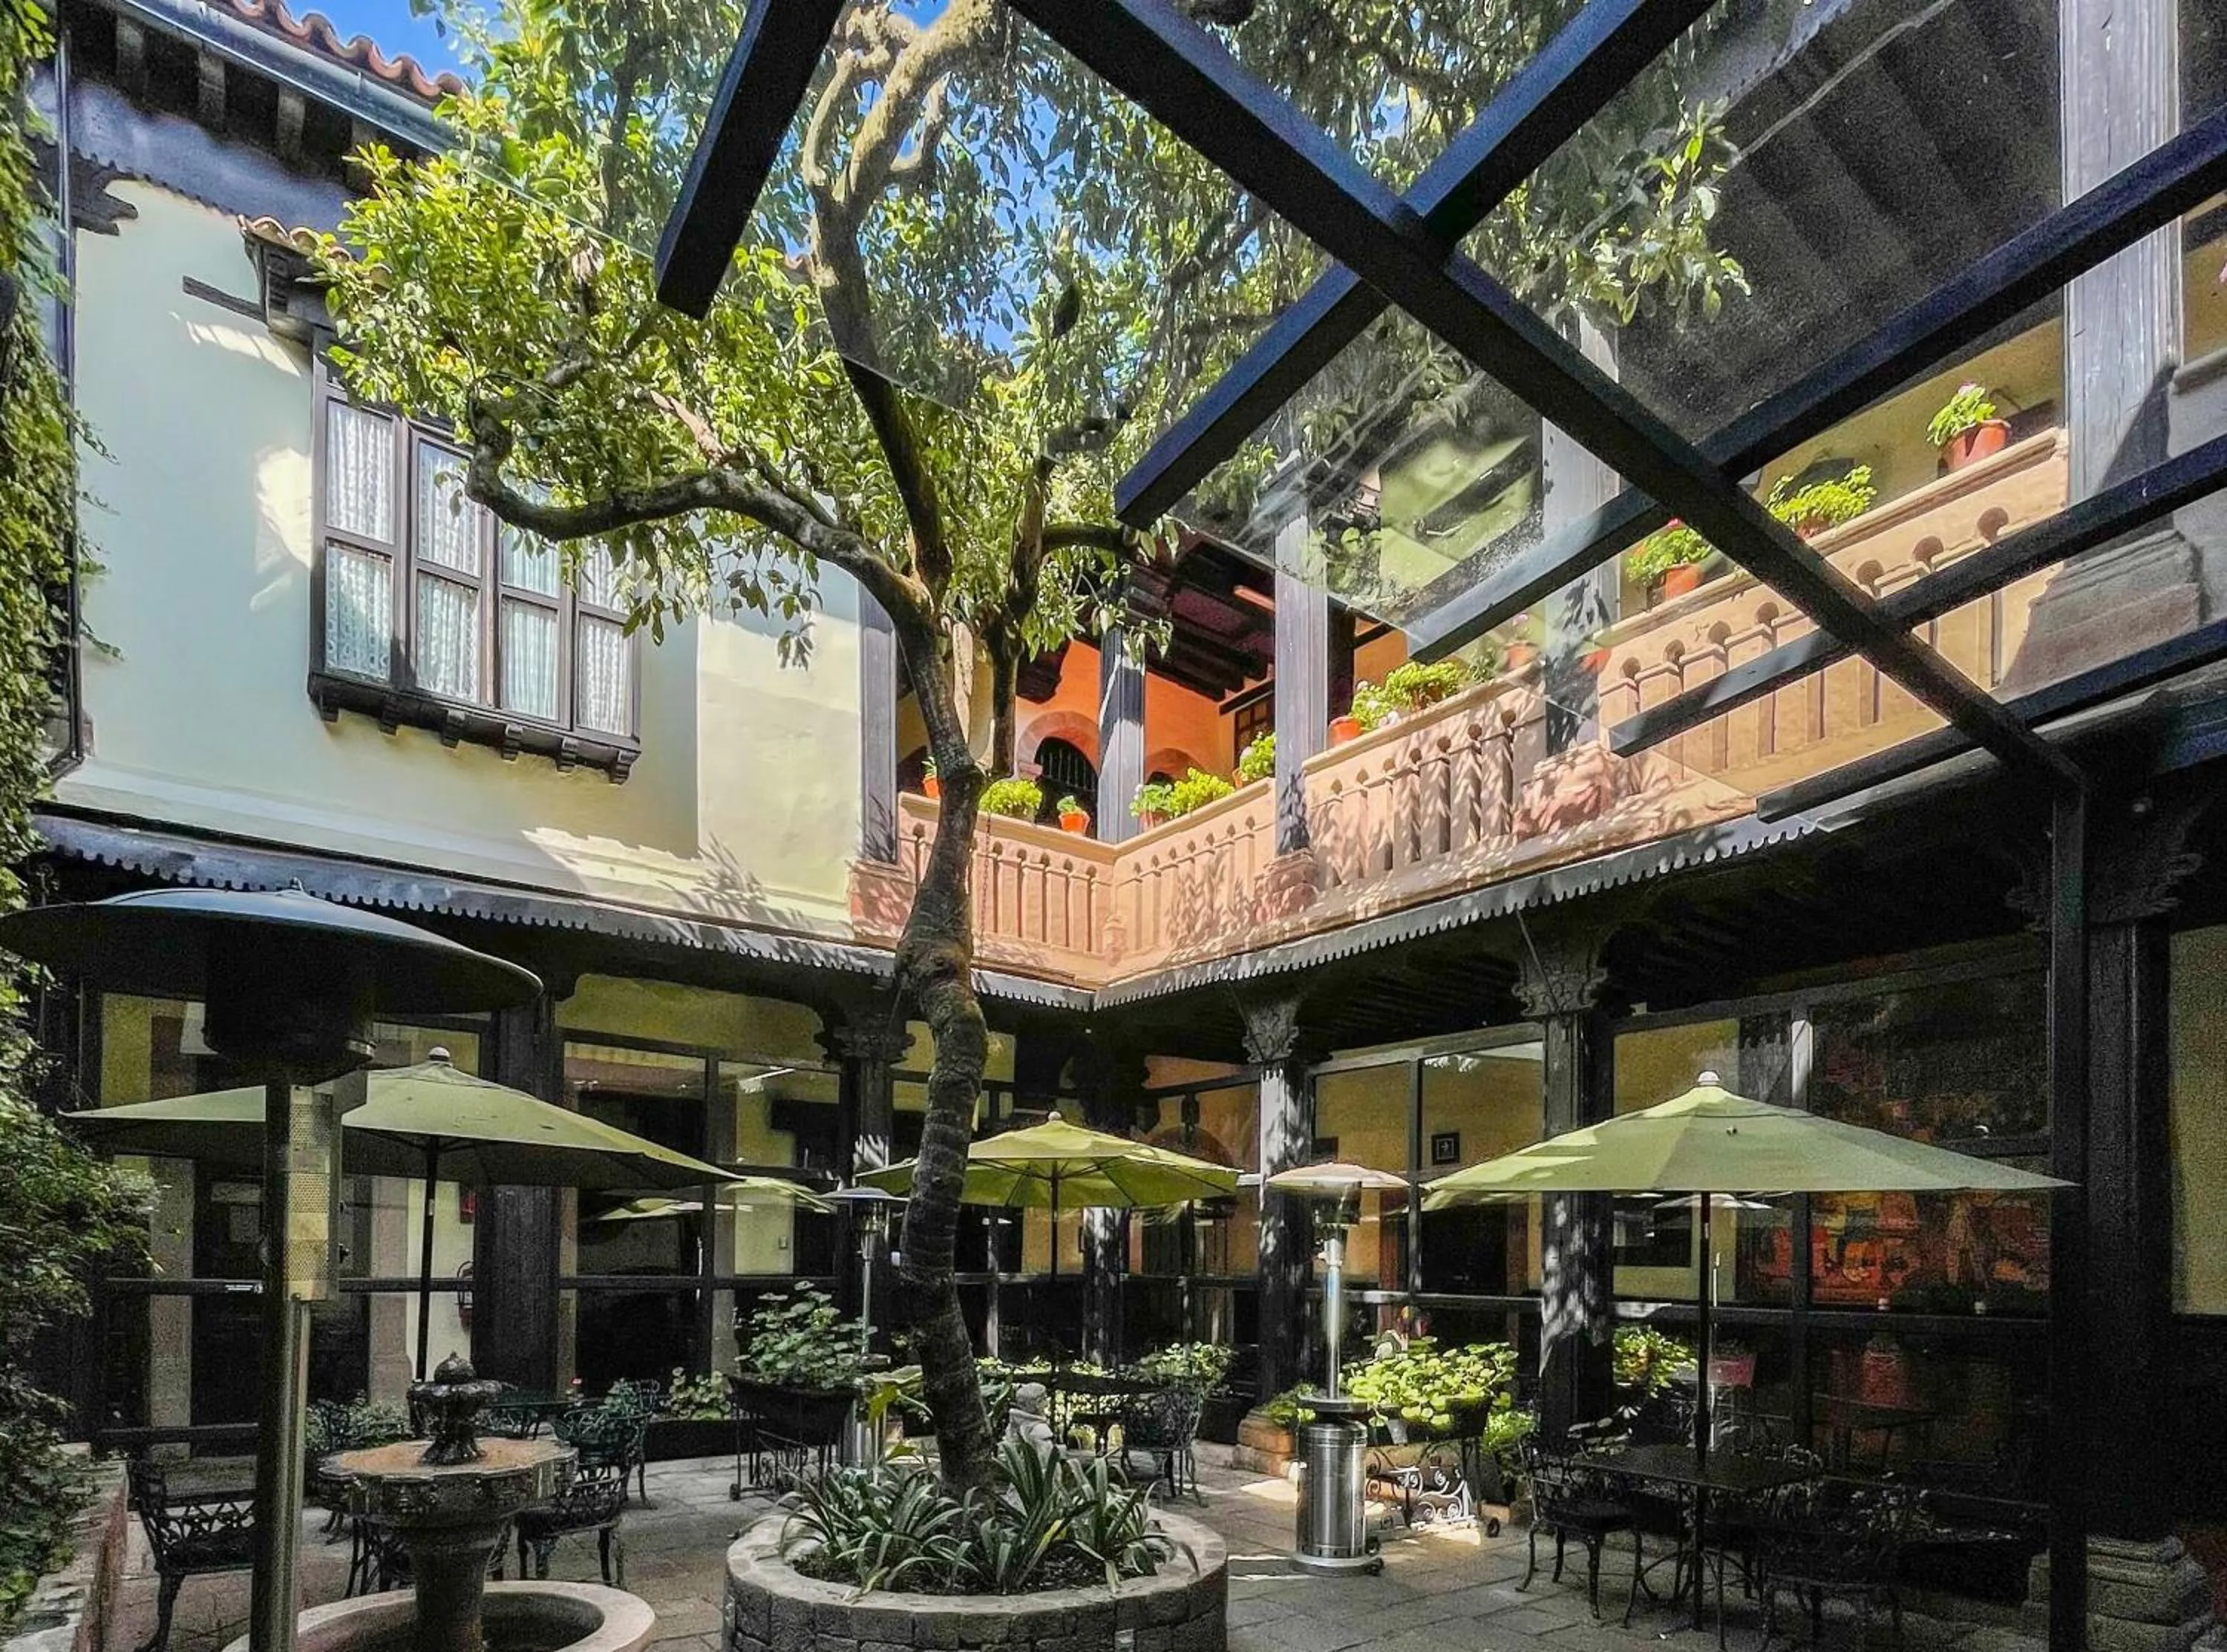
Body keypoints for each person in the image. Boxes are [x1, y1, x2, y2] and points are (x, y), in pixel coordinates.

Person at [1004, 1382, 1056, 1456]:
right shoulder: (1040, 1429)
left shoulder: (1014, 1425)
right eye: (1044, 1399)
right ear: (1037, 1404)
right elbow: (1046, 1458)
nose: (1047, 1404)